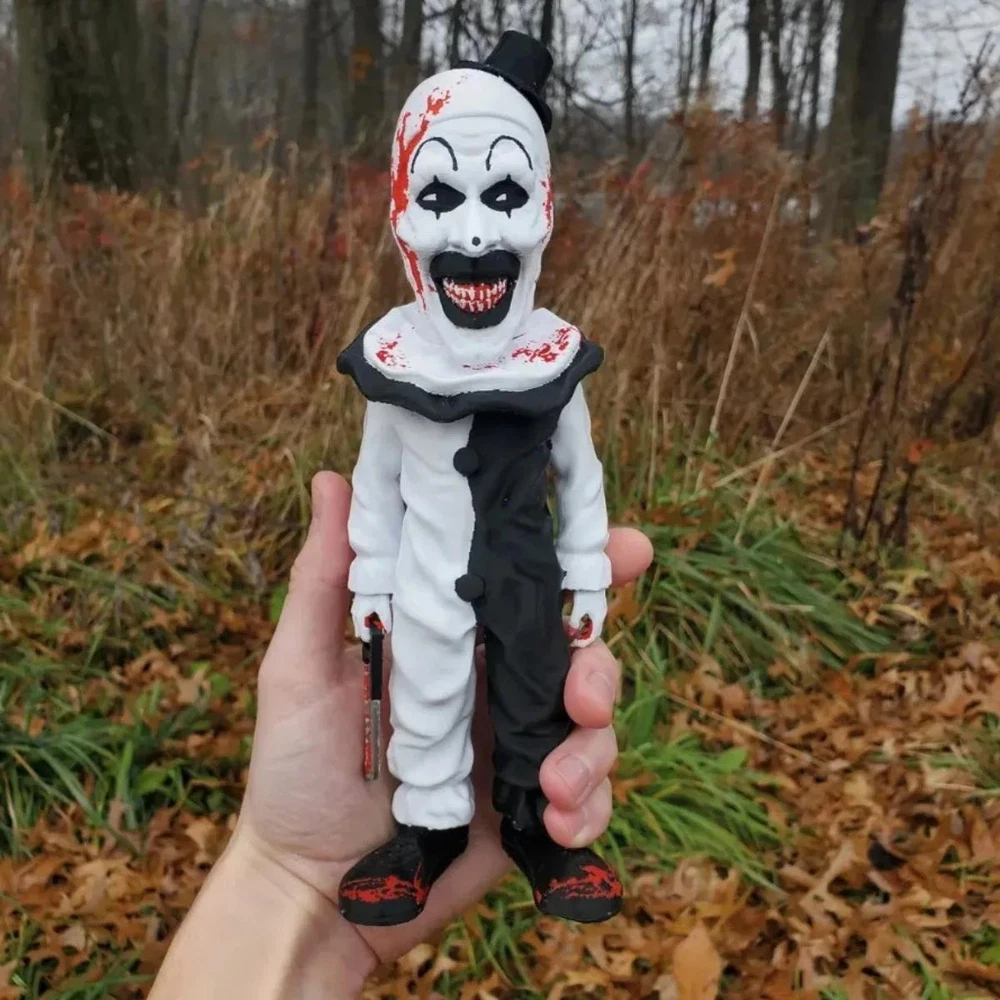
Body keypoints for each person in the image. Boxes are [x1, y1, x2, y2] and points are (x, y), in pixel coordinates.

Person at [148, 471, 653, 999]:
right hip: (427, 578)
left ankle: (535, 827)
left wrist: (586, 571)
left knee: (538, 696)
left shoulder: (549, 408)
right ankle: (429, 830)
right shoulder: (398, 411)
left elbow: (579, 475)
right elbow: (376, 482)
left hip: (528, 573)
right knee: (423, 699)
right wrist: (371, 577)